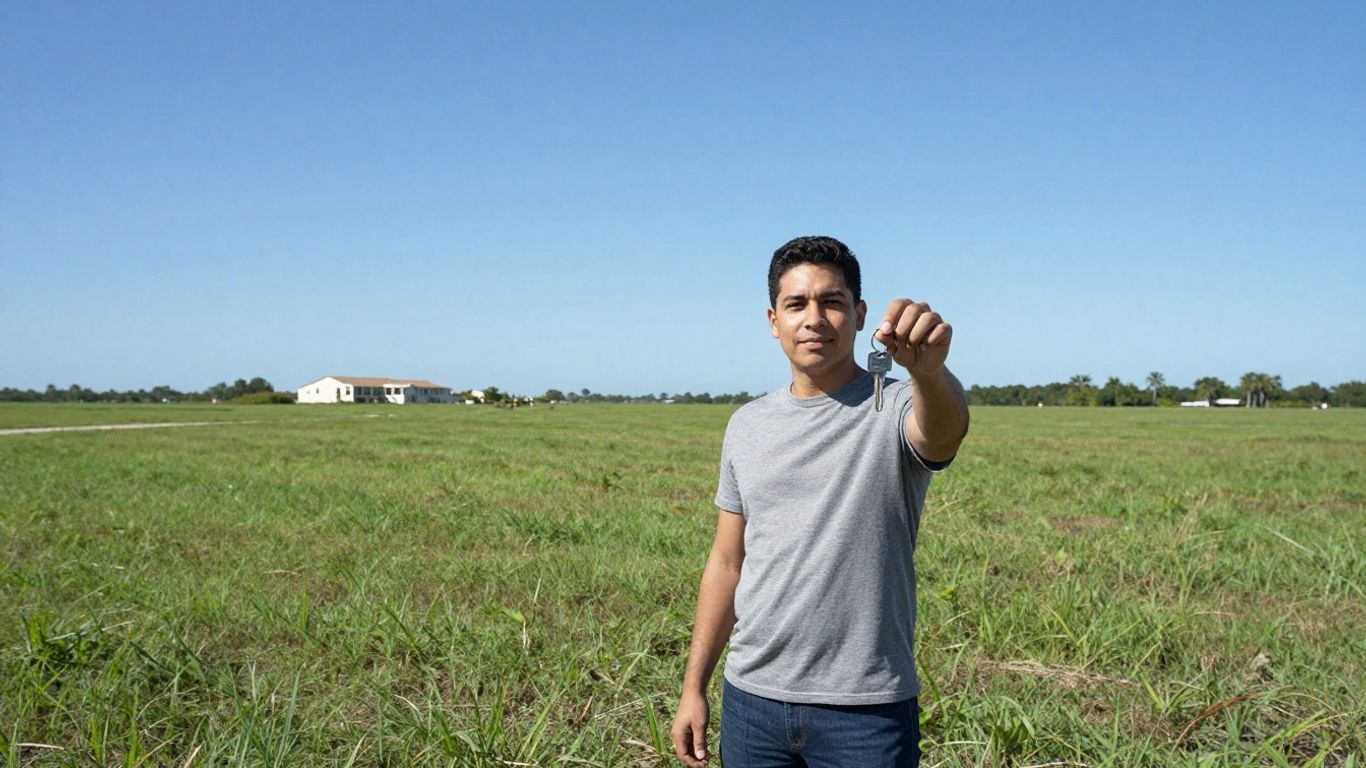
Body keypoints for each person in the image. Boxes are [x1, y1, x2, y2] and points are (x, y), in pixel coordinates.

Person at [669, 236, 969, 767]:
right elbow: (726, 561)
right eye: (796, 304)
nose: (815, 318)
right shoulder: (746, 425)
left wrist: (928, 371)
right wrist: (695, 686)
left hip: (866, 711)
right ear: (772, 319)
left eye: (832, 302)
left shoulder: (897, 402)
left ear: (859, 315)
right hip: (752, 699)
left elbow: (943, 433)